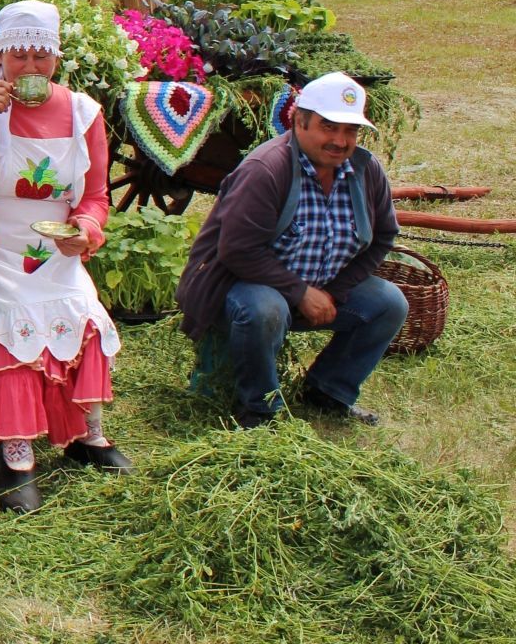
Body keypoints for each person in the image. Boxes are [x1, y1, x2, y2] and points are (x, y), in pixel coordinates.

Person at [0, 0, 127, 513]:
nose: (31, 69)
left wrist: (84, 229)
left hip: (51, 250)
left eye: (42, 58)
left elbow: (95, 197)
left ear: (56, 59)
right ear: (0, 56)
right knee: (12, 320)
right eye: (20, 57)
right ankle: (18, 456)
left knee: (83, 310)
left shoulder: (84, 113)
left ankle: (89, 433)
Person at [174, 71, 407, 427]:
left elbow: (382, 237)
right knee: (265, 309)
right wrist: (299, 293)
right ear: (300, 121)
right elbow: (238, 251)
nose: (340, 141)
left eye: (350, 131)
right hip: (237, 286)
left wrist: (333, 292)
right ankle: (260, 410)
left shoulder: (365, 170)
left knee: (389, 304)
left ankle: (329, 391)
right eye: (329, 127)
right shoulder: (266, 170)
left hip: (320, 285)